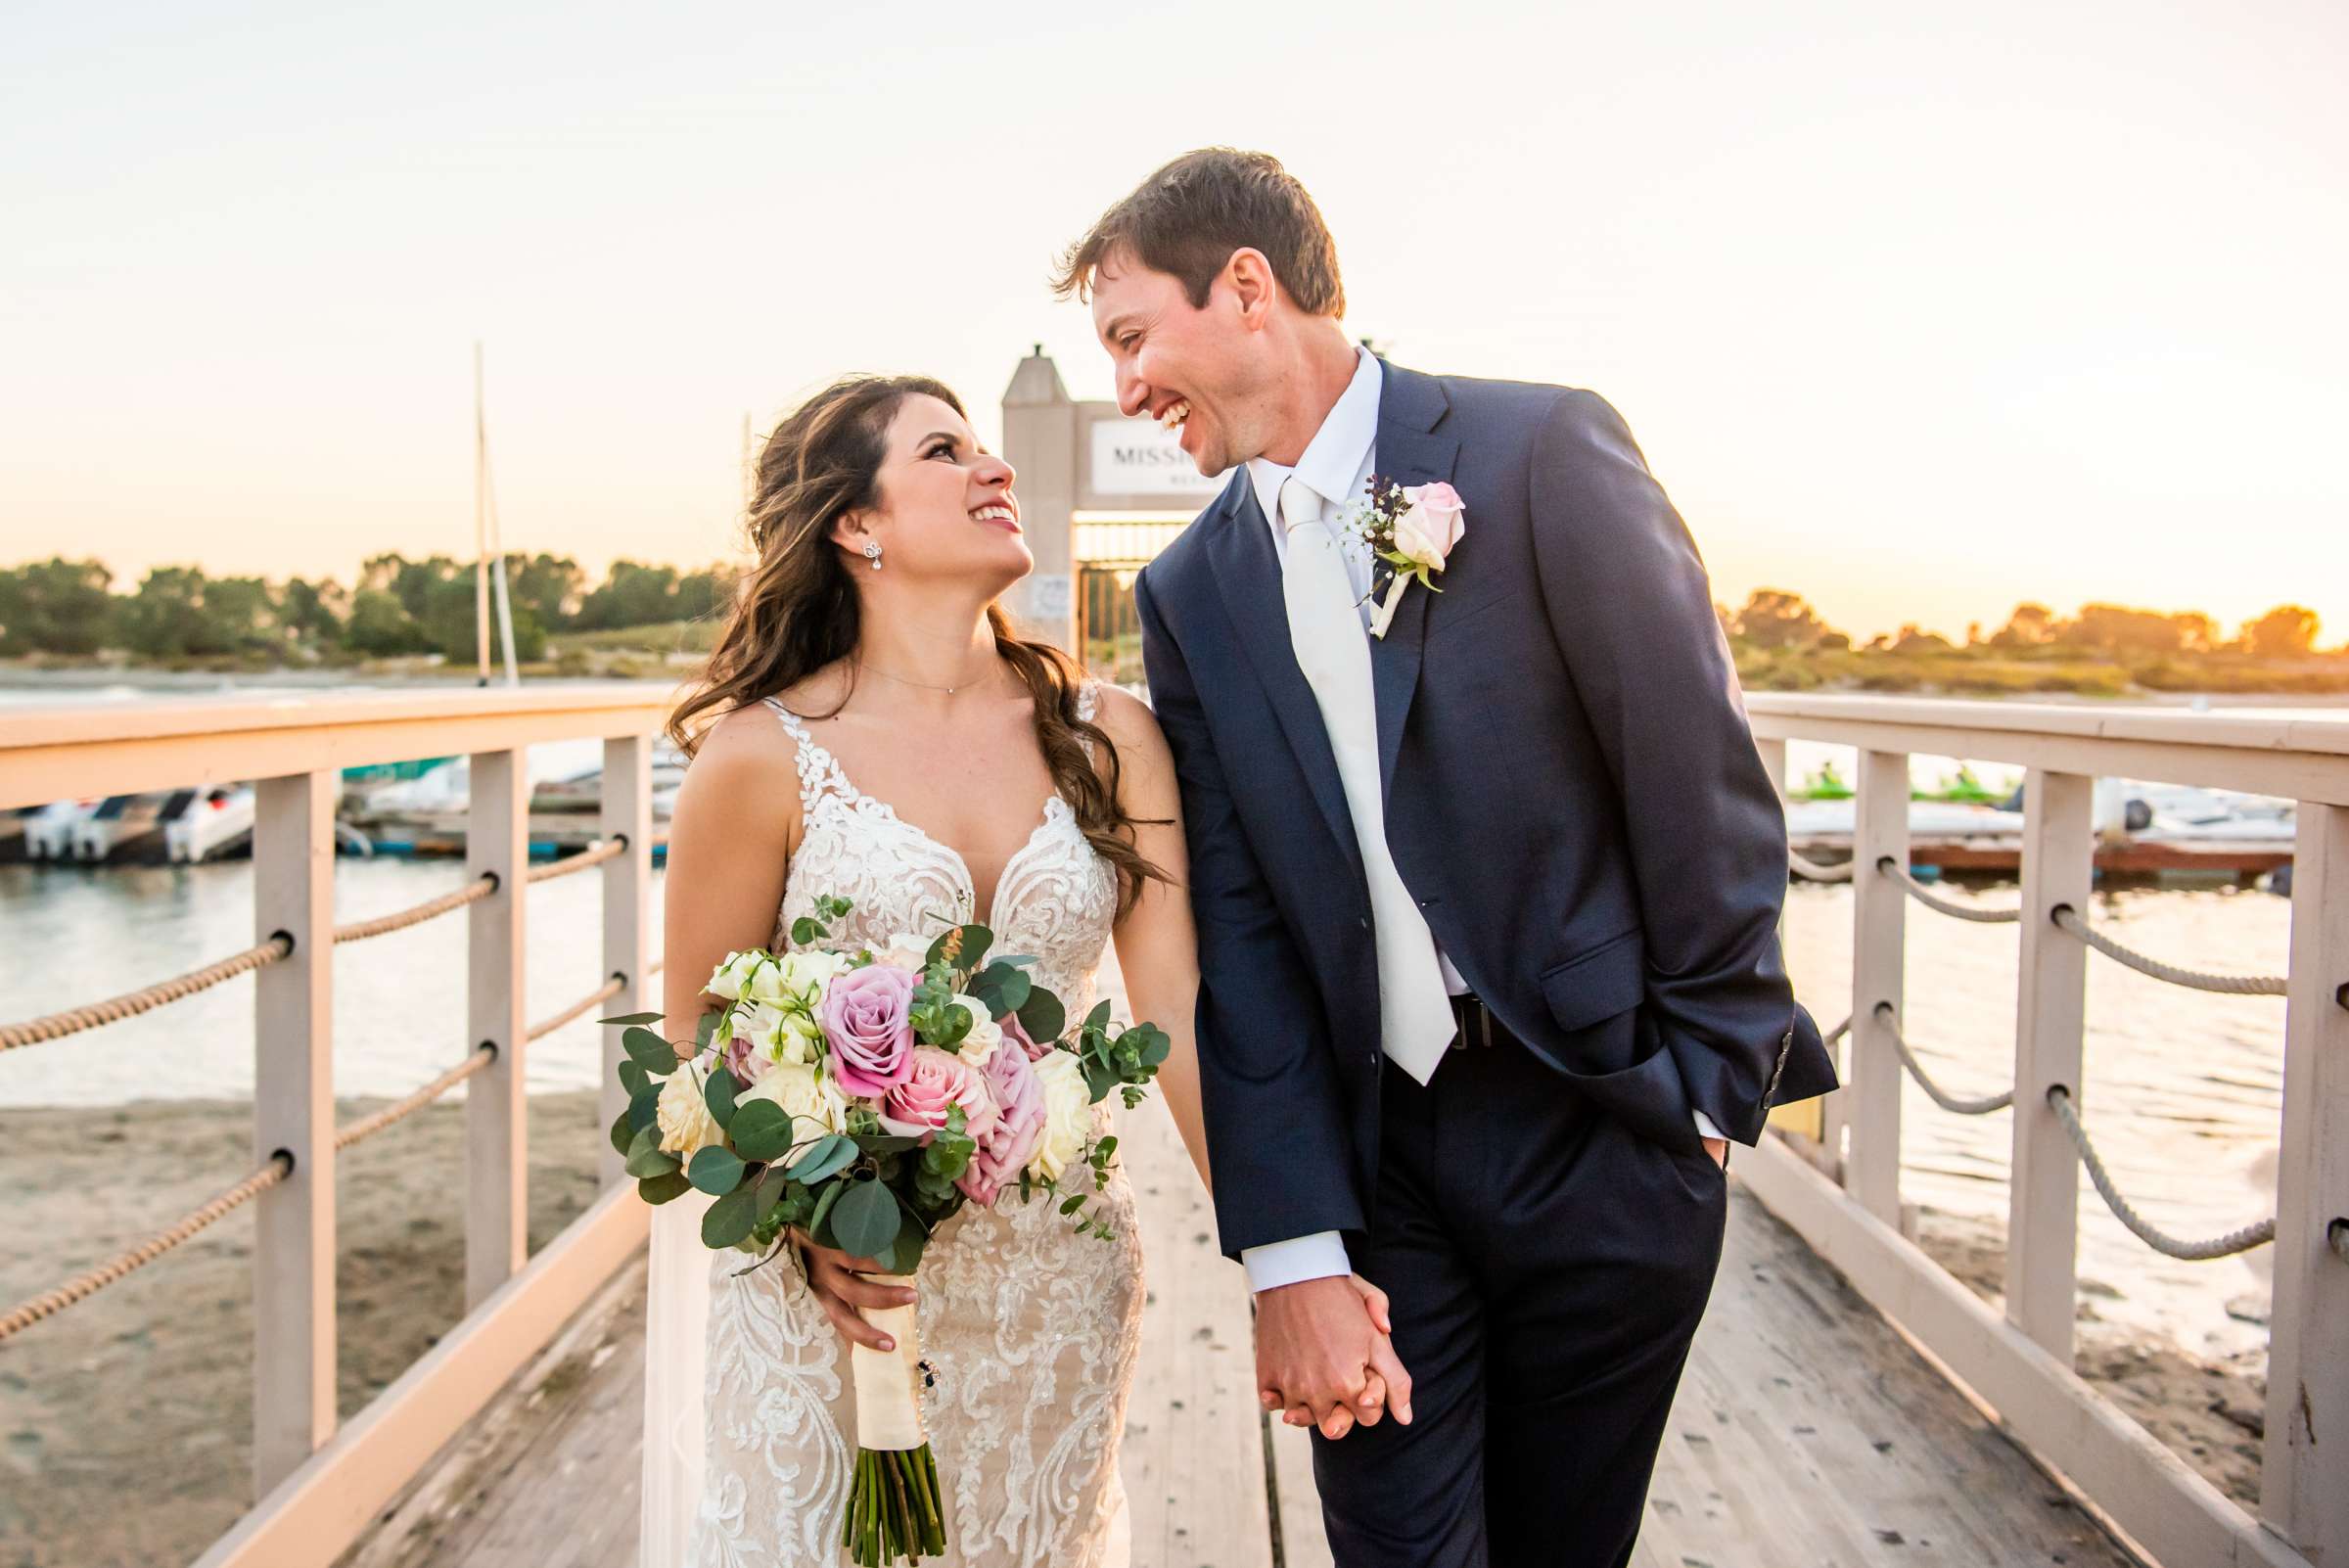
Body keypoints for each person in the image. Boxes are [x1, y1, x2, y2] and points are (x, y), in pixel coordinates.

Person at [1057, 148, 1836, 1568]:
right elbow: (1242, 928)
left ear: (1246, 290)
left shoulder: (1539, 451)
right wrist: (1291, 1245)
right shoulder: (1189, 589)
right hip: (1378, 1161)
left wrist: (1709, 1094)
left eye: (1129, 338)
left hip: (1604, 1121)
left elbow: (1697, 773)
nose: (1124, 390)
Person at [638, 374, 1221, 1568]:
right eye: (947, 452)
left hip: (1056, 1281)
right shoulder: (761, 759)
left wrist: (1292, 1255)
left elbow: (1177, 1015)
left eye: (990, 448)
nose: (994, 470)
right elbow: (695, 1052)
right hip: (839, 1297)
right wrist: (801, 1224)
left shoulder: (1111, 735)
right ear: (857, 524)